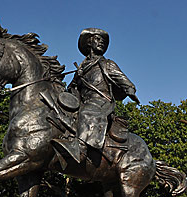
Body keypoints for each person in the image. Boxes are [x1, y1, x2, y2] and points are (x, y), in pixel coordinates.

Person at [51, 27, 139, 167]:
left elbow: (124, 81)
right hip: (84, 102)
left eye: (103, 41)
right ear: (89, 43)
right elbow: (72, 88)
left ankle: (80, 149)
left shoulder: (108, 64)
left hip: (101, 102)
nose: (101, 43)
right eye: (98, 39)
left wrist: (130, 90)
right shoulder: (81, 68)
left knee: (88, 112)